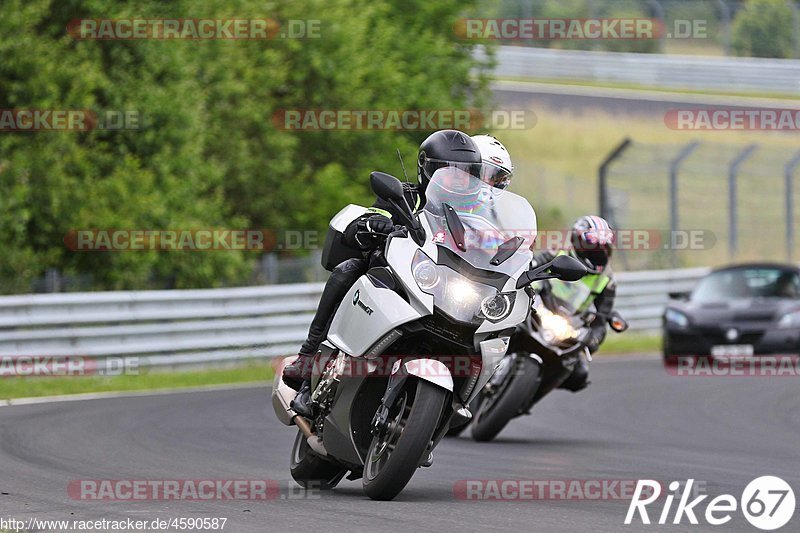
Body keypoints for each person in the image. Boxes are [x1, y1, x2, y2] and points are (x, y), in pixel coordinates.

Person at [283, 130, 484, 415]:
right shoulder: (407, 196)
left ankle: (462, 398)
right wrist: (373, 224)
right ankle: (309, 361)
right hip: (401, 278)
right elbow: (376, 215)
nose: (457, 180)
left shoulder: (479, 215)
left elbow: (495, 248)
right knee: (351, 268)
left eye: (465, 174)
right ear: (427, 169)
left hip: (447, 290)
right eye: (448, 173)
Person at [532, 215, 617, 392]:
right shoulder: (557, 253)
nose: (597, 253)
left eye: (603, 248)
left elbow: (601, 320)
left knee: (579, 374)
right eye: (592, 246)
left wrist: (593, 340)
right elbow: (531, 265)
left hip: (568, 326)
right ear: (577, 242)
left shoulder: (607, 280)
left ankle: (529, 396)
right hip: (536, 306)